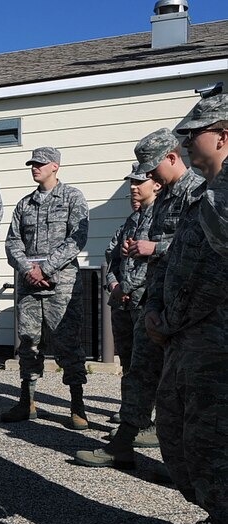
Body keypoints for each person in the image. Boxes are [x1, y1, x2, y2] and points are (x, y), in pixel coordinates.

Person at [75, 129, 203, 468]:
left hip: (187, 310)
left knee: (172, 387)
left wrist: (154, 248)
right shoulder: (164, 199)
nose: (147, 178)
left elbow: (203, 248)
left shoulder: (197, 194)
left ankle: (165, 461)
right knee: (142, 375)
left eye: (151, 170)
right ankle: (129, 444)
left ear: (172, 158)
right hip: (154, 302)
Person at [147, 94, 228, 524]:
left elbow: (218, 278)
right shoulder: (203, 191)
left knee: (212, 435)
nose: (185, 140)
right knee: (179, 428)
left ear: (222, 135)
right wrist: (158, 313)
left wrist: (172, 321)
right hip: (187, 335)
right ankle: (218, 517)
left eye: (193, 131)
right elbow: (178, 260)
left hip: (214, 335)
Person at [2, 147, 90, 429]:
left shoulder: (73, 198)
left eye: (40, 164)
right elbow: (13, 242)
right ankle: (27, 402)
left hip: (60, 285)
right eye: (32, 164)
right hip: (30, 286)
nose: (34, 168)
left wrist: (46, 268)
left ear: (55, 166)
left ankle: (78, 406)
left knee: (68, 344)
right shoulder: (24, 205)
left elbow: (77, 239)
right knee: (28, 344)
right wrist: (29, 270)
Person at [103, 164, 161, 429]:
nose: (133, 187)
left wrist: (127, 289)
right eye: (131, 183)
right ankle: (131, 412)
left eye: (139, 182)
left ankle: (146, 421)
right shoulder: (129, 222)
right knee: (127, 363)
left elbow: (153, 265)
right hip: (122, 303)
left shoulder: (161, 219)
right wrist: (115, 285)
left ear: (156, 185)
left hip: (143, 302)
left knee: (146, 365)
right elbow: (110, 257)